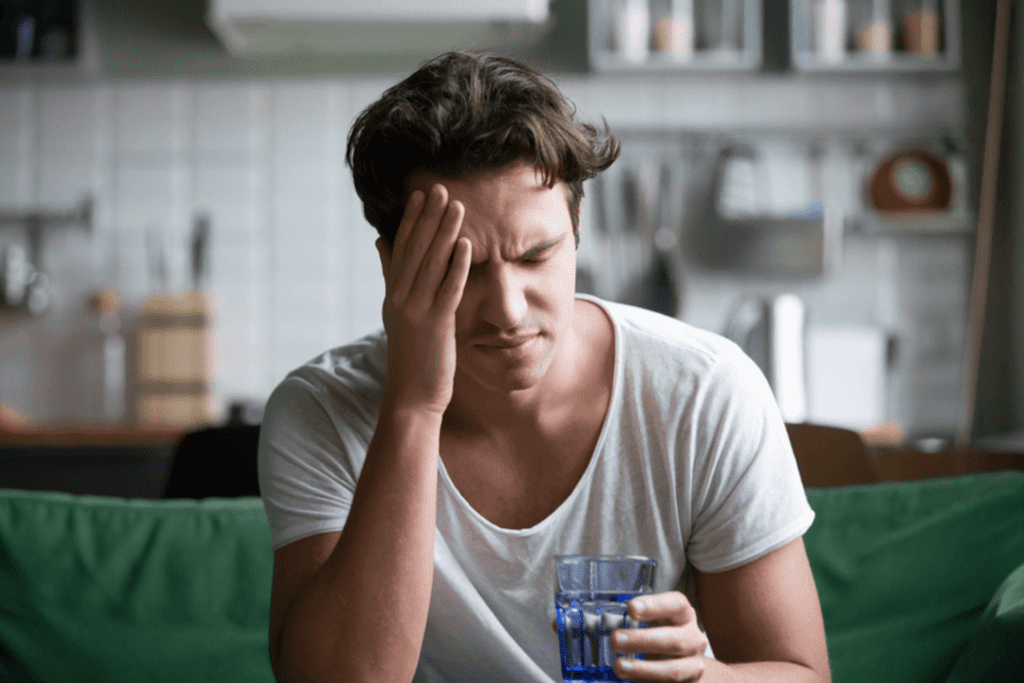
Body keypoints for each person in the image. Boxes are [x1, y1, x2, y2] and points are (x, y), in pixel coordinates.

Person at [258, 50, 831, 683]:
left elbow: (803, 675)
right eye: (462, 268)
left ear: (577, 227)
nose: (507, 310)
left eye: (537, 256)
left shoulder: (705, 393)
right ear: (394, 266)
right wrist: (413, 406)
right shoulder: (319, 410)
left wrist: (704, 678)